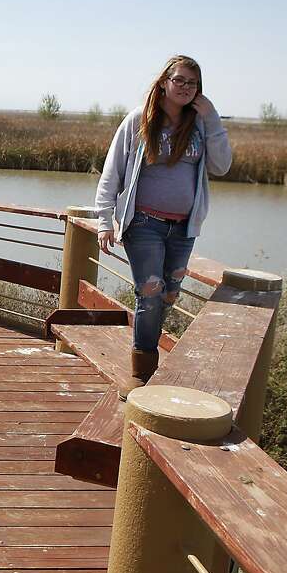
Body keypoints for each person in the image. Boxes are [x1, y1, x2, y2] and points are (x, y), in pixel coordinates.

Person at [93, 55, 232, 393]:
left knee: (168, 295)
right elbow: (112, 172)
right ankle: (141, 373)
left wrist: (212, 118)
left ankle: (148, 361)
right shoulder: (139, 120)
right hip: (144, 224)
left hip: (183, 229)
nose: (185, 87)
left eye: (192, 83)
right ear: (164, 83)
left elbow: (222, 166)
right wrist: (103, 219)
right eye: (180, 80)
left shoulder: (199, 125)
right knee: (150, 294)